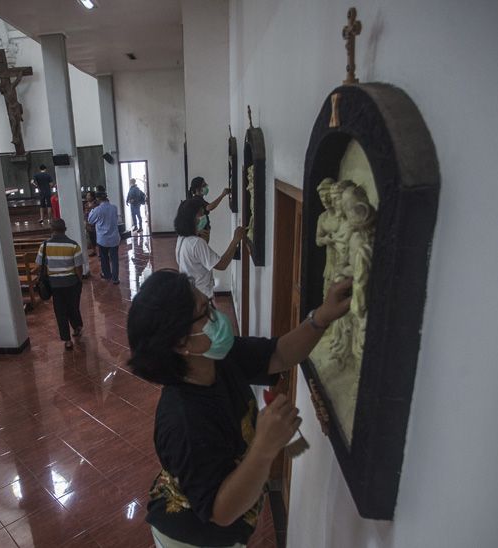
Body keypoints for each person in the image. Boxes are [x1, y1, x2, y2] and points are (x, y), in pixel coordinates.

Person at [126, 270, 352, 548]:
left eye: (210, 304)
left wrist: (321, 317)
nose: (217, 316)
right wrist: (264, 447)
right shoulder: (183, 421)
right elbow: (221, 511)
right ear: (181, 342)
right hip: (194, 539)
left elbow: (279, 354)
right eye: (205, 312)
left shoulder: (218, 360)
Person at [174, 198, 246, 301]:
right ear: (192, 218)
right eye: (201, 214)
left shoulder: (182, 238)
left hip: (190, 292)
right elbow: (222, 265)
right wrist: (235, 240)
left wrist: (203, 241)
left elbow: (196, 258)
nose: (204, 217)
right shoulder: (197, 243)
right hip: (201, 295)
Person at [35, 219, 84, 350]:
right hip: (71, 282)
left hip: (54, 284)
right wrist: (80, 280)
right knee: (73, 306)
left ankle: (67, 340)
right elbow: (78, 267)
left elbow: (39, 265)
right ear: (65, 229)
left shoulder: (44, 246)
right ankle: (77, 327)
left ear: (51, 230)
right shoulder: (73, 245)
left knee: (60, 311)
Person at [87, 190, 121, 284]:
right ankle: (115, 279)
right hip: (114, 238)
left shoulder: (97, 209)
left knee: (104, 258)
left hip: (103, 239)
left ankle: (107, 274)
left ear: (97, 199)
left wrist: (92, 209)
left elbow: (90, 221)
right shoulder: (114, 207)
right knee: (114, 259)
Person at [189, 176, 230, 242]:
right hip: (201, 233)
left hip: (203, 232)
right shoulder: (196, 200)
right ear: (197, 189)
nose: (206, 186)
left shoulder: (200, 199)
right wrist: (222, 195)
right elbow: (209, 207)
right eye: (204, 185)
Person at [82, 191, 99, 257]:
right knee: (91, 239)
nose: (87, 197)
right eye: (87, 195)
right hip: (89, 225)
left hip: (96, 224)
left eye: (88, 195)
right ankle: (94, 251)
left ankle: (100, 252)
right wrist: (85, 222)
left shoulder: (97, 204)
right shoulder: (86, 204)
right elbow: (85, 214)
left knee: (98, 238)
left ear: (92, 196)